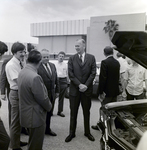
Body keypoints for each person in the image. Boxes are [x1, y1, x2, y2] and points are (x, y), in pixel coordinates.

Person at [18, 50, 52, 150]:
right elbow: (42, 98)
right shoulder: (35, 77)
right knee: (36, 145)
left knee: (32, 142)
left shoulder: (22, 72)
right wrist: (49, 107)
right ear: (39, 61)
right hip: (35, 116)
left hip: (26, 113)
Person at [65, 39, 96, 142]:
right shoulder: (71, 58)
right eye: (75, 46)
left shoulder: (91, 58)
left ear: (84, 46)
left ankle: (87, 132)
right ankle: (71, 133)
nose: (76, 48)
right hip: (75, 91)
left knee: (86, 112)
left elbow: (93, 73)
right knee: (73, 112)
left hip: (86, 91)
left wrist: (85, 85)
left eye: (78, 46)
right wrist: (80, 85)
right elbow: (71, 74)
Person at [5, 42, 27, 150]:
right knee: (15, 122)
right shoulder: (11, 65)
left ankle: (17, 141)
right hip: (15, 93)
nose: (23, 54)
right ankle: (14, 146)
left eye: (24, 51)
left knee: (19, 121)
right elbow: (20, 81)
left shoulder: (20, 62)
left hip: (20, 93)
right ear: (14, 52)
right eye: (20, 52)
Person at [92, 46, 120, 130]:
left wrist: (100, 92)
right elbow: (117, 77)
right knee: (112, 110)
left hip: (106, 92)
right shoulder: (117, 62)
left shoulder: (104, 62)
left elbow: (102, 78)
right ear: (113, 53)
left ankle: (102, 126)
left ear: (104, 53)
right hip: (115, 91)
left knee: (104, 109)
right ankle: (111, 126)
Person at [38, 49, 59, 136]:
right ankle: (40, 131)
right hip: (42, 95)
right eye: (44, 57)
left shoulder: (52, 65)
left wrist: (57, 91)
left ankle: (47, 129)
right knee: (41, 114)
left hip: (52, 94)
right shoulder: (37, 67)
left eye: (48, 56)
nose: (46, 58)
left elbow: (56, 79)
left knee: (49, 113)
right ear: (40, 57)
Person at [0, 41, 10, 150]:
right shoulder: (7, 62)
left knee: (5, 141)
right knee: (5, 140)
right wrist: (2, 92)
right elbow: (3, 78)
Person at [54, 51, 68, 117]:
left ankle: (60, 111)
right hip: (56, 80)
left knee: (61, 97)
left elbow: (67, 74)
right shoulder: (54, 64)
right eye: (60, 56)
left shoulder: (65, 65)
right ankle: (50, 111)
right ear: (57, 56)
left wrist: (67, 83)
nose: (61, 57)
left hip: (63, 81)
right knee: (53, 97)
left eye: (62, 56)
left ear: (64, 57)